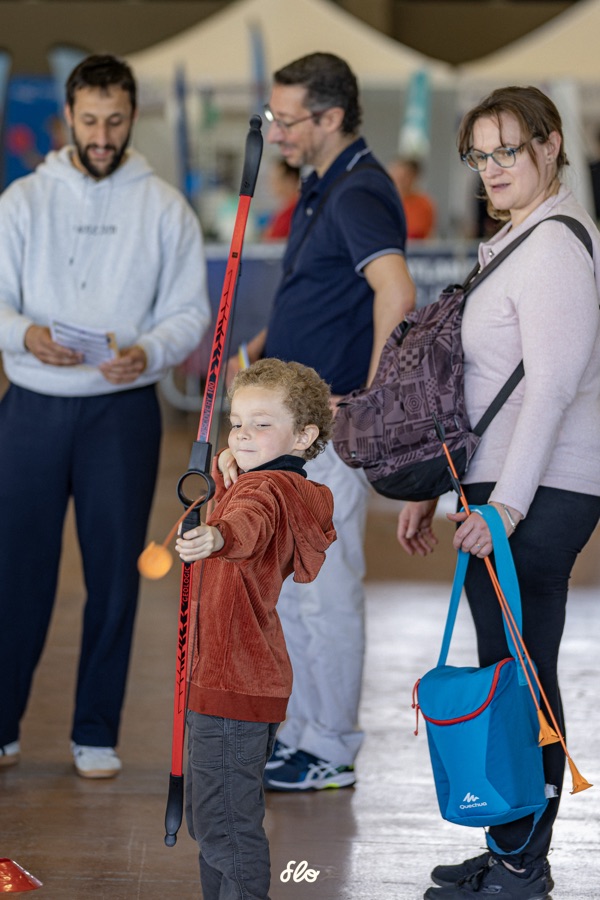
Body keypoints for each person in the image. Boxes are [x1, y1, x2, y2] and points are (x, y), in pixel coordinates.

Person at [397, 86, 600, 899]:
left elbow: (552, 386)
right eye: (479, 155)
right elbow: (485, 391)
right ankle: (514, 843)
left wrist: (505, 508)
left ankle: (524, 860)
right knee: (510, 668)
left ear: (551, 146)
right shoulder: (517, 238)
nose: (492, 168)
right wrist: (436, 484)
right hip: (506, 481)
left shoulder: (552, 245)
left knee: (521, 673)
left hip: (541, 489)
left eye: (508, 149)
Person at [0, 55, 210, 779]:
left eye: (114, 120)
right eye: (89, 120)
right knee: (15, 573)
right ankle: (2, 725)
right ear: (68, 117)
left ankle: (95, 731)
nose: (101, 134)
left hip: (120, 413)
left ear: (132, 117)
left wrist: (149, 349)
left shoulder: (163, 208)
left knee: (116, 578)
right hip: (30, 408)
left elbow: (190, 311)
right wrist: (23, 334)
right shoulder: (24, 200)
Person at [227, 52, 415, 791]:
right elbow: (316, 299)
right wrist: (257, 360)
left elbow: (393, 294)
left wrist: (368, 400)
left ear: (331, 117)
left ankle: (331, 746)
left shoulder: (360, 191)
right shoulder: (318, 188)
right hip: (293, 432)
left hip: (328, 433)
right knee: (298, 596)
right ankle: (305, 735)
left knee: (327, 595)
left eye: (288, 119)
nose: (275, 132)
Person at [175, 357, 336, 900]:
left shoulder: (262, 494)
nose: (243, 433)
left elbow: (248, 523)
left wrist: (217, 537)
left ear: (305, 433)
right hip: (242, 681)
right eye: (237, 422)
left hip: (230, 684)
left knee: (225, 830)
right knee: (215, 822)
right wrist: (232, 471)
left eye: (262, 424)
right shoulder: (280, 482)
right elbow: (254, 495)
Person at [387, 157, 436, 239]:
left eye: (403, 177)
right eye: (395, 176)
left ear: (413, 177)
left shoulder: (423, 204)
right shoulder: (383, 201)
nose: (399, 181)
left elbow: (419, 234)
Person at [262, 158, 299, 240]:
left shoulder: (298, 210)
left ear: (291, 179)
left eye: (276, 179)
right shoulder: (283, 210)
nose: (272, 184)